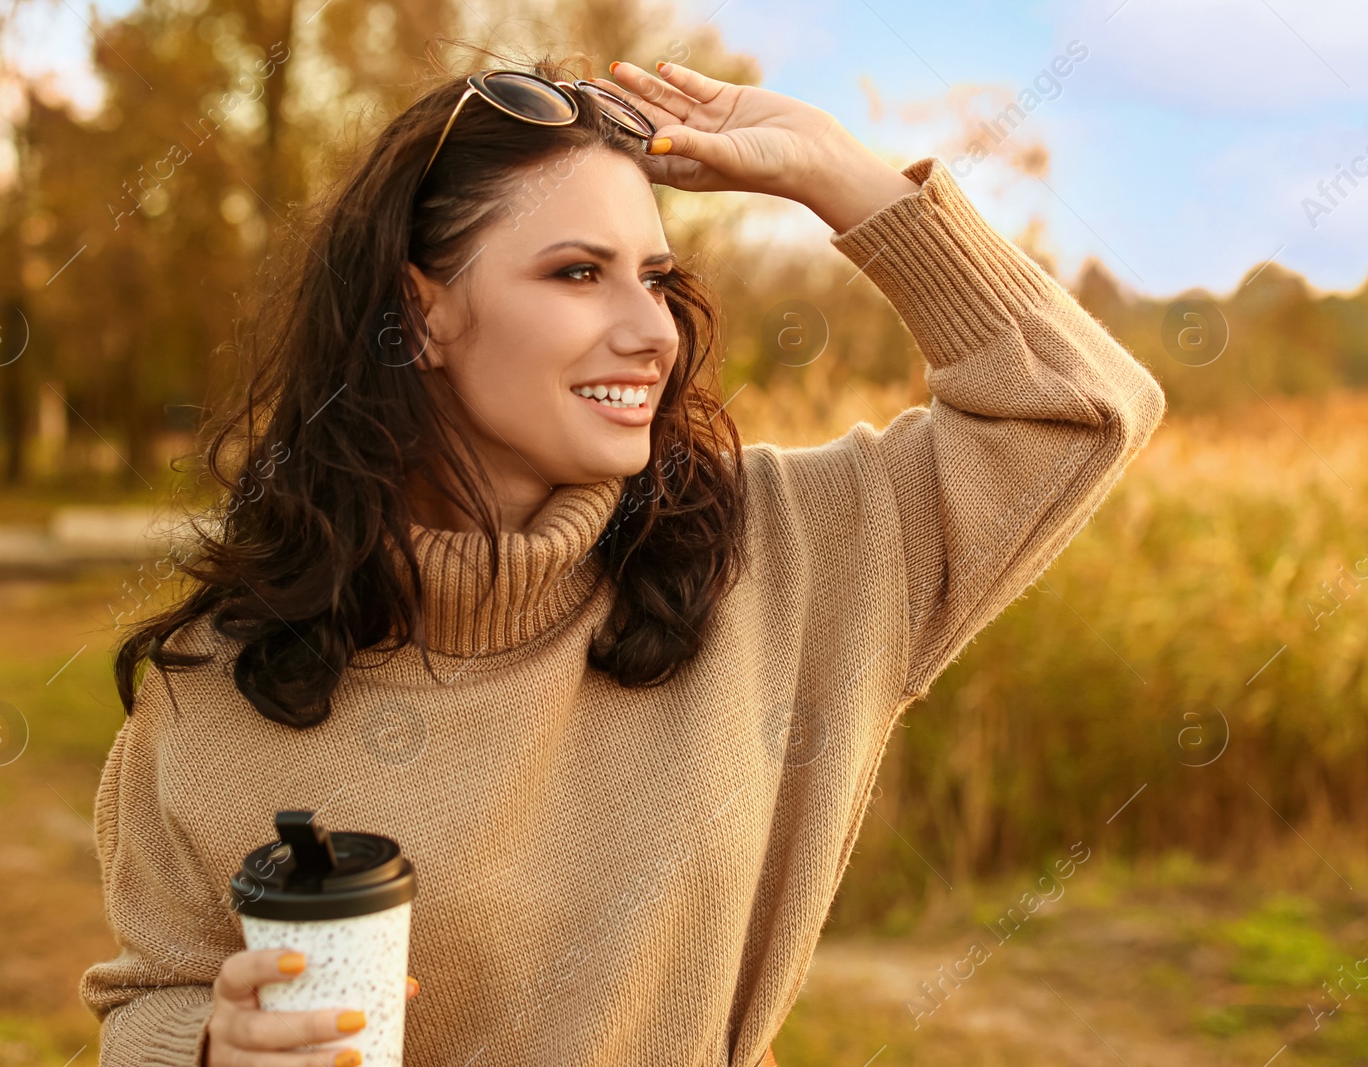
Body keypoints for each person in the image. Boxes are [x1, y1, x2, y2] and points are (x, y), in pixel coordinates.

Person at [79, 50, 1165, 1067]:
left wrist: (844, 175)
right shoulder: (218, 683)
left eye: (654, 276)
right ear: (423, 314)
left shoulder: (783, 550)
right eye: (576, 272)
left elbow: (1074, 410)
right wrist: (214, 1045)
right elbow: (150, 999)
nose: (653, 330)